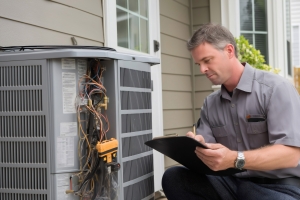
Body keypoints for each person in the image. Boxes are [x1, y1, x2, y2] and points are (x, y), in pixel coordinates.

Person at [162, 23, 300, 200]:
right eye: (198, 63)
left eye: (207, 60)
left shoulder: (275, 89)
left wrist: (236, 159)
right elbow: (208, 149)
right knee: (174, 178)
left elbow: (291, 155)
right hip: (232, 184)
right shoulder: (210, 104)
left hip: (279, 188)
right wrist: (197, 145)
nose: (202, 69)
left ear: (229, 51)